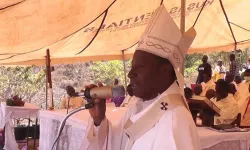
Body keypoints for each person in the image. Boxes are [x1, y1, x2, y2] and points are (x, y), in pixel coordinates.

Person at [81, 5, 200, 150]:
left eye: (140, 68)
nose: (131, 74)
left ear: (164, 70)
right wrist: (98, 120)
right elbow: (117, 144)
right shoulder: (137, 105)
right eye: (132, 67)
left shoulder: (176, 119)